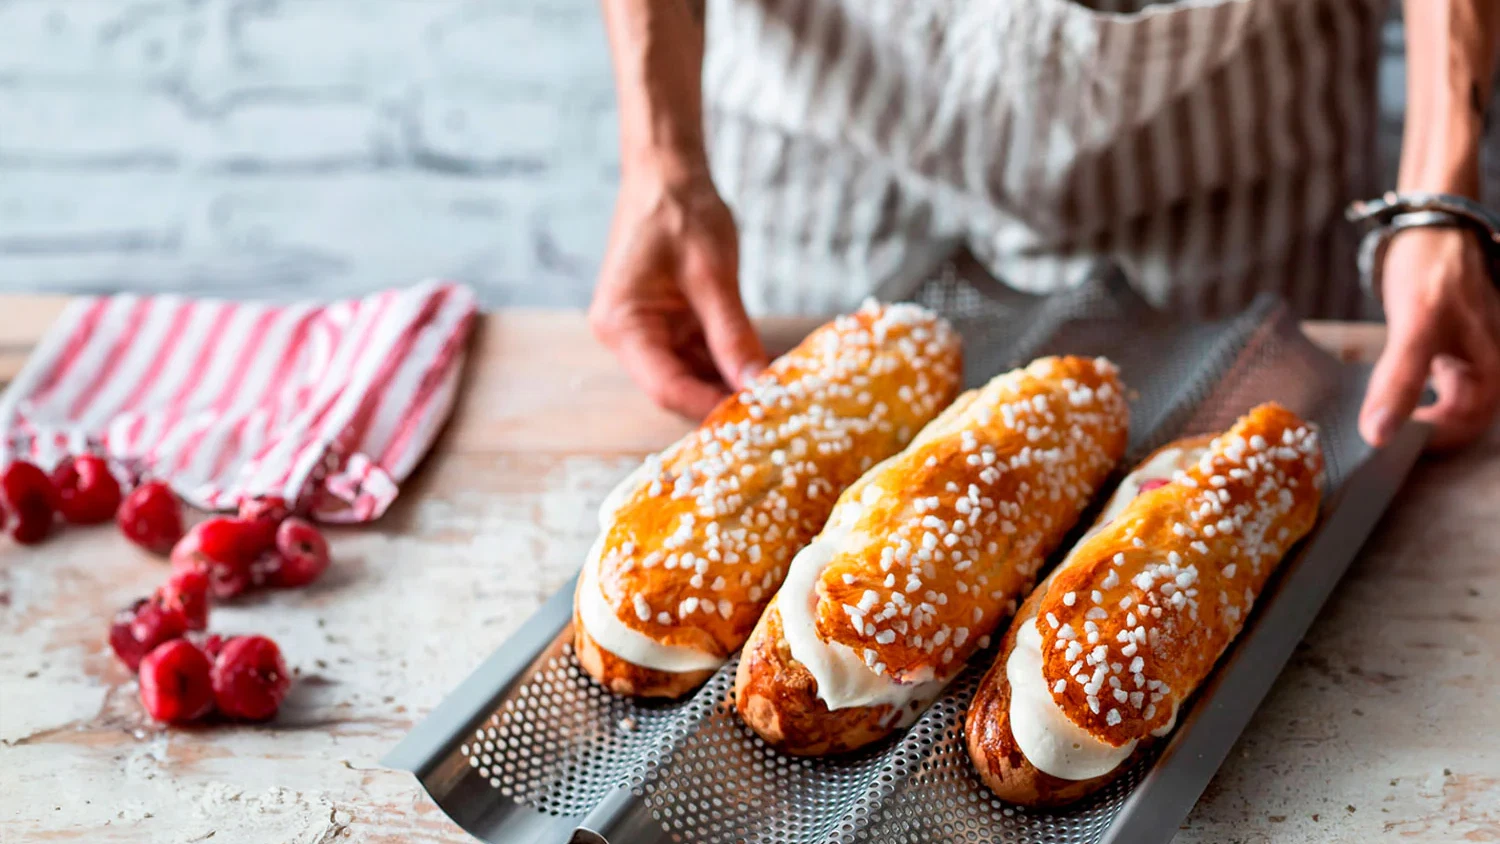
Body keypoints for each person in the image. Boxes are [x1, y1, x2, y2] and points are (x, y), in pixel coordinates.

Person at [589, 0, 1500, 451]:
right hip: (830, 112)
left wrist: (1439, 188)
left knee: (1238, 467)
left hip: (1224, 120)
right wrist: (661, 162)